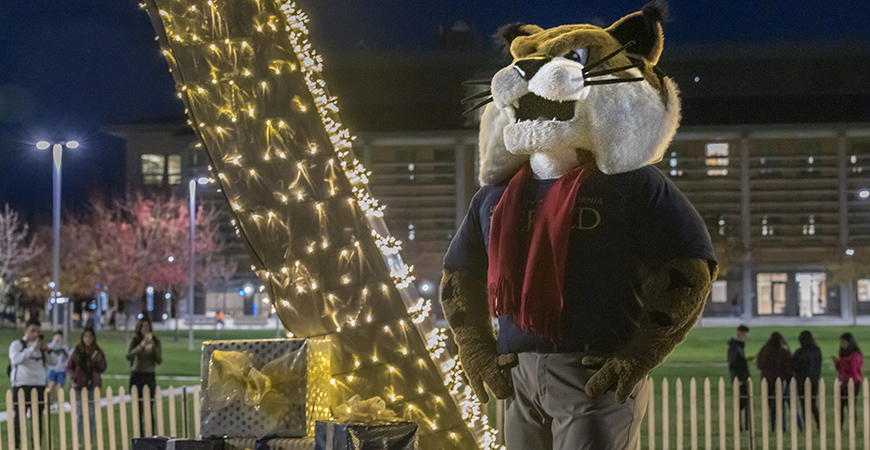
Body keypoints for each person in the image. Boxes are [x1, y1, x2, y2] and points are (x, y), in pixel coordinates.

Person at [8, 319, 56, 449]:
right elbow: (15, 359)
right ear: (26, 330)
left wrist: (46, 349)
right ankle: (17, 445)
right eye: (32, 331)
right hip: (22, 385)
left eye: (38, 332)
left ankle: (36, 445)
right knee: (19, 418)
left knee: (37, 419)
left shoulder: (41, 347)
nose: (35, 334)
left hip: (39, 385)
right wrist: (31, 349)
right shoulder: (17, 344)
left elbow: (53, 362)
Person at [66, 328, 107, 446]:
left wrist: (97, 362)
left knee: (92, 415)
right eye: (86, 336)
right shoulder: (76, 351)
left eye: (90, 336)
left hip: (92, 386)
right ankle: (78, 440)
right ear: (82, 337)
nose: (88, 339)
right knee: (80, 415)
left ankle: (91, 440)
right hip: (79, 387)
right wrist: (74, 377)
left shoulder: (97, 352)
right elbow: (69, 367)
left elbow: (103, 367)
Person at [127, 317, 162, 433]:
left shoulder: (156, 341)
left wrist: (152, 348)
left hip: (149, 375)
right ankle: (140, 434)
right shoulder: (135, 341)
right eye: (143, 326)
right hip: (137, 375)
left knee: (149, 407)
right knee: (138, 408)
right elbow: (129, 355)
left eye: (148, 326)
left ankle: (151, 435)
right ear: (140, 328)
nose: (146, 329)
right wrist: (140, 346)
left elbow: (159, 360)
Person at [756, 332, 793, 431]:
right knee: (778, 404)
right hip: (779, 380)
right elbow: (788, 367)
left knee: (771, 403)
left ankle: (773, 426)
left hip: (767, 380)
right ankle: (780, 426)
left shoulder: (765, 351)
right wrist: (789, 379)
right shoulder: (784, 352)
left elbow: (759, 364)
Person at [792, 330, 821, 431]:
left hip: (802, 380)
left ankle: (807, 426)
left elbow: (794, 365)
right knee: (813, 404)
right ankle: (819, 424)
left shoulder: (800, 352)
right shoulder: (817, 351)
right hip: (814, 380)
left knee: (804, 404)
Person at [833, 332, 863, 426]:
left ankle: (852, 426)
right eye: (841, 342)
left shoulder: (855, 355)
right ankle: (840, 426)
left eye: (844, 343)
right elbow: (840, 370)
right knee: (840, 405)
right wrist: (838, 363)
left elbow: (853, 370)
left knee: (850, 405)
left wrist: (843, 363)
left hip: (853, 382)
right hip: (843, 382)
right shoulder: (843, 354)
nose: (842, 345)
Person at [727, 325, 752, 431]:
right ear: (740, 334)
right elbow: (733, 364)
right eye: (745, 335)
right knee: (742, 403)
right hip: (739, 379)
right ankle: (741, 426)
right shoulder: (734, 348)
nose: (746, 337)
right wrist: (744, 362)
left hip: (742, 378)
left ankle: (745, 426)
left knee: (745, 403)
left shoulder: (739, 347)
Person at [46, 330, 71, 404]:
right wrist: (54, 343)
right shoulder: (50, 345)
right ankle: (50, 401)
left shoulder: (65, 346)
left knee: (59, 386)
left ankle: (60, 402)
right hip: (52, 369)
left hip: (61, 370)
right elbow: (48, 351)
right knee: (51, 385)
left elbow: (67, 356)